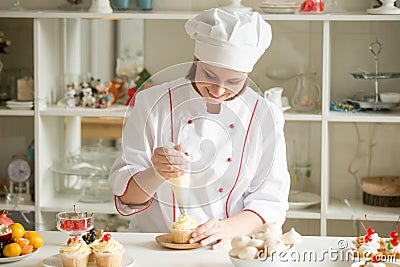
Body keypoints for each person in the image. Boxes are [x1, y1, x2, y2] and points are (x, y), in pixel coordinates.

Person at [109, 8, 290, 249]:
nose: (218, 91)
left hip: (227, 246)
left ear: (248, 75)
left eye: (234, 82)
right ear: (196, 61)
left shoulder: (266, 115)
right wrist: (157, 173)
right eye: (210, 75)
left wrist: (228, 228)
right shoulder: (151, 103)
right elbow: (127, 198)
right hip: (154, 247)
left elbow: (270, 200)